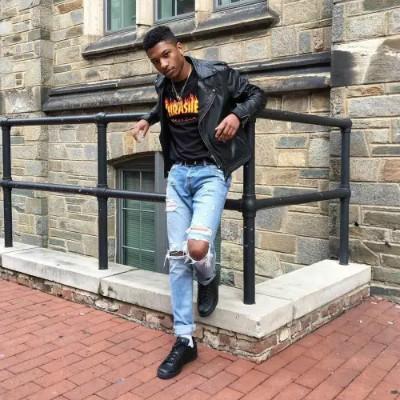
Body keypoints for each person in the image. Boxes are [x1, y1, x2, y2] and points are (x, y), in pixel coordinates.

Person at [131, 25, 266, 379]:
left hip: (210, 173)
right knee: (178, 258)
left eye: (166, 55)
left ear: (180, 47)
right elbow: (164, 106)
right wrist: (147, 119)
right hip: (178, 176)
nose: (163, 64)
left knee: (197, 247)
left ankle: (208, 277)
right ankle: (184, 340)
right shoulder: (163, 84)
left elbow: (257, 94)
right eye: (155, 61)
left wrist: (237, 115)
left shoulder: (215, 75)